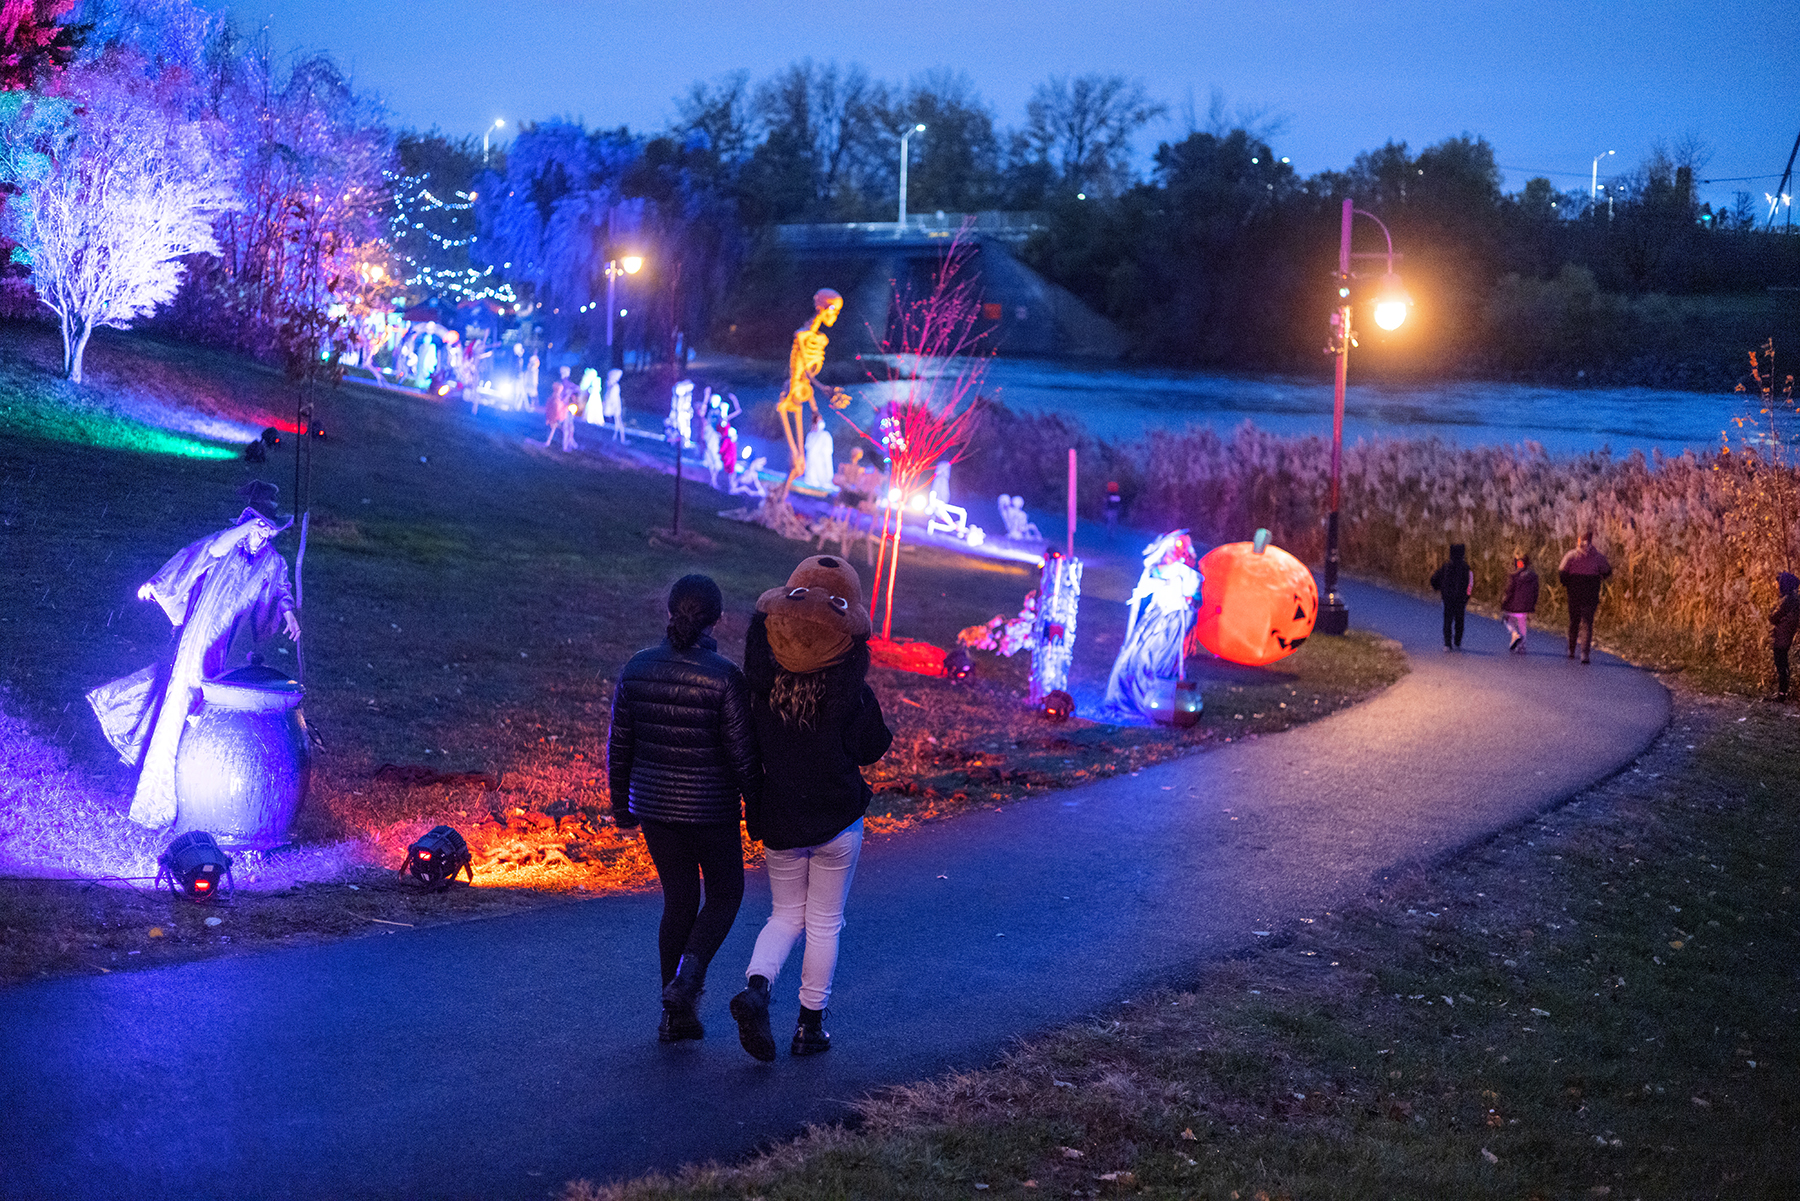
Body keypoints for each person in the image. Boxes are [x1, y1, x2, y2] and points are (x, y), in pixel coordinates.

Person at [729, 555, 892, 1061]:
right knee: (824, 922)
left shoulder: (761, 690)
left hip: (780, 815)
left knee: (784, 915)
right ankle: (809, 1027)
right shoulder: (850, 694)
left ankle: (758, 988)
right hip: (837, 820)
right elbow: (871, 748)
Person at [86, 483, 301, 829]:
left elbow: (279, 590)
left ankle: (200, 792)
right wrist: (245, 527)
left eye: (269, 529)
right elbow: (207, 551)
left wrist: (288, 613)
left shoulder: (272, 562)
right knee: (177, 708)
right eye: (258, 525)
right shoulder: (227, 545)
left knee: (209, 714)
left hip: (227, 648)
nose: (263, 534)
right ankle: (157, 803)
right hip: (197, 640)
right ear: (247, 521)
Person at [607, 575, 761, 1042]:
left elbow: (620, 746)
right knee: (725, 895)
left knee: (678, 900)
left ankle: (674, 1016)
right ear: (718, 619)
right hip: (711, 809)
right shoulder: (726, 677)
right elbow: (743, 756)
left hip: (654, 807)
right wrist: (758, 809)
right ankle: (687, 980)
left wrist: (621, 806)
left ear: (669, 611)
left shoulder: (637, 668)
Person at [1558, 530, 1613, 663]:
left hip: (1574, 591)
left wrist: (1566, 583)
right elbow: (1607, 571)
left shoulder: (1571, 555)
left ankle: (1571, 650)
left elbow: (1562, 572)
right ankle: (1584, 654)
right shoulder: (1598, 557)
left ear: (1579, 540)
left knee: (1574, 621)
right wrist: (1600, 578)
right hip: (1591, 591)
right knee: (1587, 623)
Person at [1429, 543, 1475, 650]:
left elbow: (1434, 578)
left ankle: (1447, 643)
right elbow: (1470, 582)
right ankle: (1457, 642)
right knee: (1459, 620)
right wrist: (1467, 596)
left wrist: (1439, 588)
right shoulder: (1466, 568)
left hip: (1448, 598)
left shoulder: (1446, 567)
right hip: (1461, 599)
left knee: (1448, 620)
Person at [1499, 552, 1540, 654]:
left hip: (1513, 605)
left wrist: (1504, 603)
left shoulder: (1514, 576)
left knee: (1507, 619)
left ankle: (1514, 633)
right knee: (1522, 625)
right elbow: (1535, 592)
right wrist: (1532, 604)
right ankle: (1522, 646)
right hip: (1526, 606)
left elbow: (1509, 591)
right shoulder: (1533, 577)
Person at [1769, 571, 1799, 700]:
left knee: (1781, 663)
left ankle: (1782, 693)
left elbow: (1774, 617)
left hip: (1783, 635)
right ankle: (1782, 692)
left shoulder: (1788, 600)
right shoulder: (1794, 598)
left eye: (1777, 583)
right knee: (1782, 662)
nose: (1775, 585)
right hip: (1786, 634)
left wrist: (1772, 612)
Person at [545, 366, 579, 451]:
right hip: (562, 409)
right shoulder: (562, 385)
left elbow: (577, 389)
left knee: (568, 427)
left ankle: (569, 443)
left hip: (564, 408)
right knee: (565, 427)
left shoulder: (566, 384)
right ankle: (565, 446)